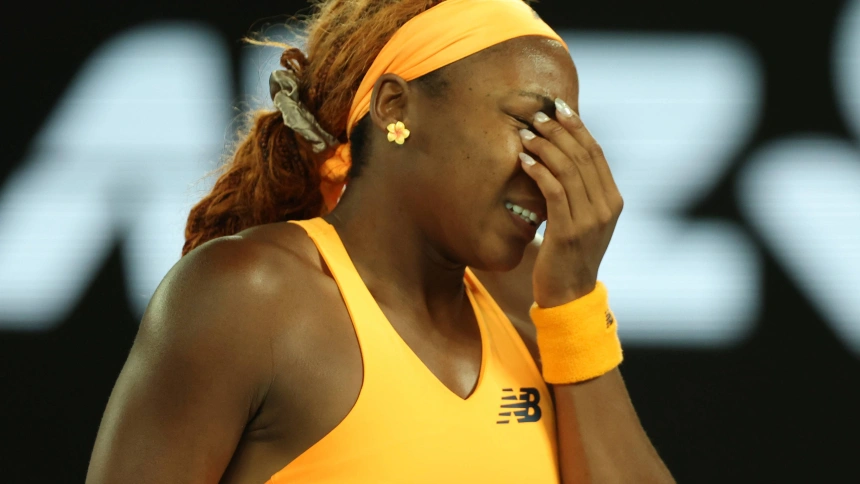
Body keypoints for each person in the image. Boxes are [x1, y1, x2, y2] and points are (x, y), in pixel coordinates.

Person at [86, 0, 675, 482]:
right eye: (531, 123)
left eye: (570, 134)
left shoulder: (539, 306)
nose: (556, 167)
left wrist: (573, 301)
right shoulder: (252, 297)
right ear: (396, 107)